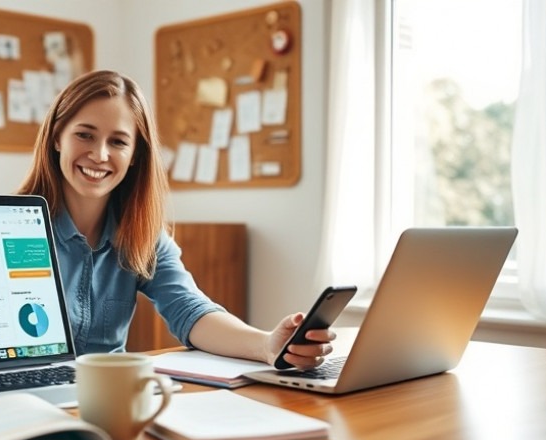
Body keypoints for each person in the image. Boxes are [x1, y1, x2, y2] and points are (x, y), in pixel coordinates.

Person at [17, 69, 334, 368]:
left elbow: (190, 309)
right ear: (57, 138)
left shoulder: (142, 234)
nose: (100, 154)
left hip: (108, 396)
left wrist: (268, 345)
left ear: (134, 156)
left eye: (118, 141)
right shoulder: (9, 229)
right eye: (85, 135)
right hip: (21, 398)